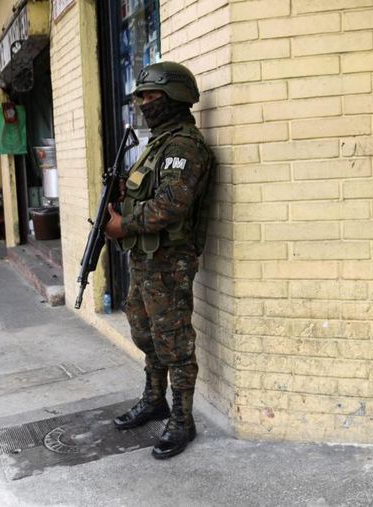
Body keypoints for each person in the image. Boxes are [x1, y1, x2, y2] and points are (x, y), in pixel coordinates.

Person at [104, 61, 215, 460]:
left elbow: (173, 205)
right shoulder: (156, 145)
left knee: (175, 342)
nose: (144, 103)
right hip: (146, 260)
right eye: (143, 97)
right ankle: (155, 400)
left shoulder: (184, 146)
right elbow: (150, 193)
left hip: (170, 262)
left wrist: (124, 224)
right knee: (144, 332)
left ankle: (183, 419)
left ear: (176, 98)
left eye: (151, 96)